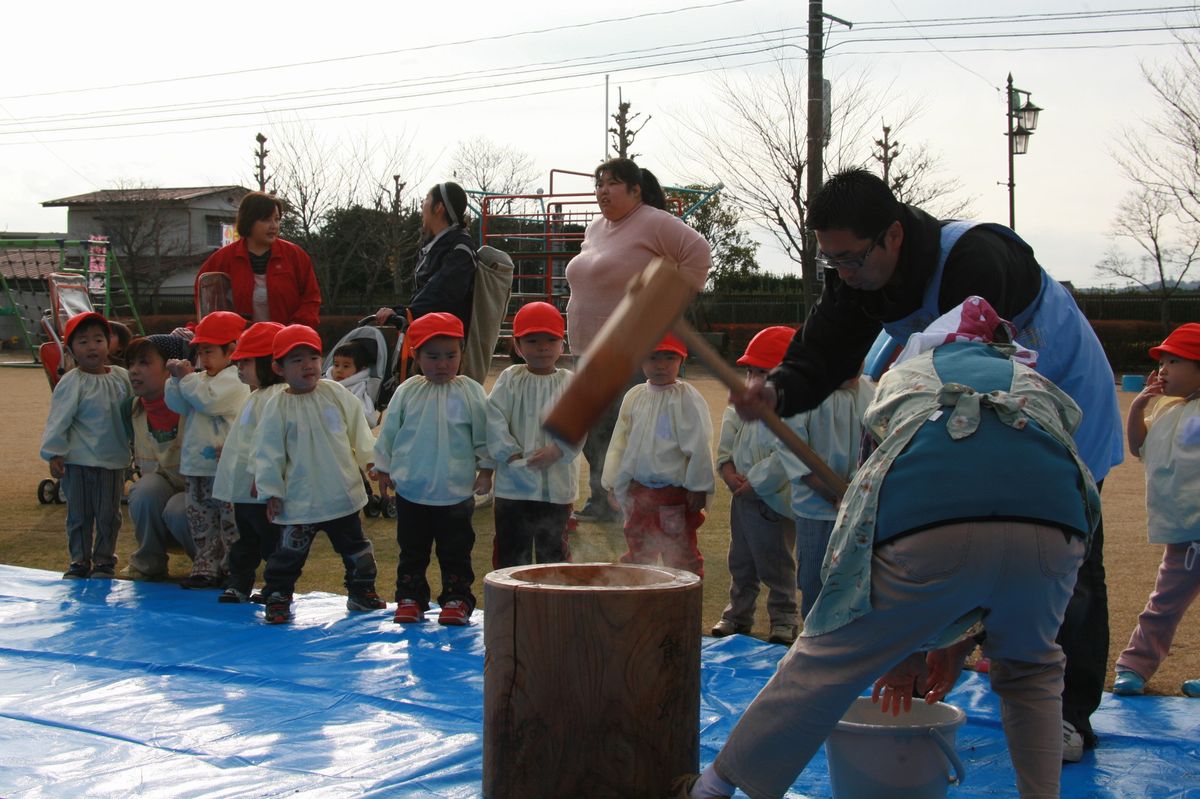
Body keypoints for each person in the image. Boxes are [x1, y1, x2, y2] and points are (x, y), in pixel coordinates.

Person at [732, 168, 1124, 759]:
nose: (843, 274)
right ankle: (957, 657)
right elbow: (822, 351)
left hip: (1057, 402)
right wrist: (779, 392)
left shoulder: (977, 260)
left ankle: (1067, 714)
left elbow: (983, 371)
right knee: (953, 535)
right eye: (830, 262)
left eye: (851, 259)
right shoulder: (859, 277)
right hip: (968, 411)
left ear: (892, 236)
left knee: (1064, 559)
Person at [677, 298, 1101, 799]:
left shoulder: (902, 382)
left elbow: (871, 511)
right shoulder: (1038, 387)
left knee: (825, 661)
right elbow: (1002, 540)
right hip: (1057, 528)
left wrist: (903, 654)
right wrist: (948, 643)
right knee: (1031, 672)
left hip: (927, 526)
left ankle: (712, 789)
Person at [565, 157, 712, 522]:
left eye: (612, 184)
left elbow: (698, 254)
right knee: (594, 431)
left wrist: (669, 303)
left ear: (636, 190)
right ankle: (602, 499)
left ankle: (626, 503)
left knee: (621, 429)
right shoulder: (597, 227)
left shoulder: (653, 221)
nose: (602, 191)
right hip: (586, 347)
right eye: (599, 184)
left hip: (626, 348)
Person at [251, 325, 386, 624]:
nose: (307, 365)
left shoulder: (336, 393)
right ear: (279, 368)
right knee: (287, 556)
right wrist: (271, 490)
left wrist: (370, 461)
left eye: (312, 357)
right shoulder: (276, 407)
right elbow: (267, 452)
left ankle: (362, 592)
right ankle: (278, 596)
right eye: (296, 360)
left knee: (356, 549)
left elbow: (359, 431)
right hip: (298, 502)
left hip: (341, 495)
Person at [374, 312, 493, 626]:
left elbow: (483, 434)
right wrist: (383, 469)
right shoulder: (407, 391)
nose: (442, 364)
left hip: (455, 493)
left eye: (450, 356)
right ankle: (410, 597)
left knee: (456, 551)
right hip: (412, 491)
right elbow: (390, 434)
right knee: (412, 550)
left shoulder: (471, 392)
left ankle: (457, 598)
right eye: (433, 356)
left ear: (461, 354)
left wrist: (486, 470)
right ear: (415, 356)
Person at [1112, 323, 1200, 698]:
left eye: (1174, 360)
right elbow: (1138, 447)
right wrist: (1138, 406)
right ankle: (1134, 666)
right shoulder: (1165, 411)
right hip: (1183, 534)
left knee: (1163, 603)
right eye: (1162, 361)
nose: (1163, 368)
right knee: (1162, 604)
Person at [711, 326, 801, 644]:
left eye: (764, 372)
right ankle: (738, 614)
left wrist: (759, 481)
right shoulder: (743, 403)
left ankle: (784, 618)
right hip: (742, 495)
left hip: (774, 499)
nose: (754, 379)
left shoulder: (794, 411)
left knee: (775, 561)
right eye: (751, 371)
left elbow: (789, 454)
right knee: (741, 559)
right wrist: (727, 467)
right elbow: (729, 434)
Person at [602, 332, 713, 577]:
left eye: (669, 357)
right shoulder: (635, 396)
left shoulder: (687, 399)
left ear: (681, 360)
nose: (660, 364)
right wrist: (614, 482)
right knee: (638, 549)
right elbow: (620, 442)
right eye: (652, 357)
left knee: (681, 552)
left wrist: (698, 486)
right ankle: (638, 600)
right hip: (639, 491)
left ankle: (683, 603)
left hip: (674, 494)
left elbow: (700, 445)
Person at [485, 301, 581, 568]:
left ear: (563, 344)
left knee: (554, 554)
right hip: (512, 488)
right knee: (511, 552)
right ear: (517, 346)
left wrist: (558, 450)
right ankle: (511, 605)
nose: (543, 347)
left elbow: (579, 421)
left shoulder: (568, 382)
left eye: (551, 339)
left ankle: (555, 604)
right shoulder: (510, 379)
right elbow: (494, 417)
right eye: (533, 340)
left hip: (556, 488)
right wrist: (508, 450)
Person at [39, 311, 132, 579]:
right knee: (79, 516)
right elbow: (59, 419)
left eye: (98, 339)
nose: (92, 346)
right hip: (78, 462)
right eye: (83, 342)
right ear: (70, 350)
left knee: (108, 516)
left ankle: (104, 561)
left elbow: (135, 409)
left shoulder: (121, 378)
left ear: (109, 343)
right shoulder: (72, 381)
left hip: (112, 461)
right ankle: (79, 560)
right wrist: (55, 453)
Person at [164, 311, 250, 589]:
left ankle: (233, 567)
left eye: (209, 351)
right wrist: (176, 379)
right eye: (200, 351)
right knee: (200, 520)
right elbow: (178, 405)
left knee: (230, 521)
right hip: (197, 466)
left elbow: (208, 402)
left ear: (232, 350)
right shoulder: (199, 379)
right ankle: (205, 565)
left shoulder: (235, 379)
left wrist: (186, 380)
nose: (203, 358)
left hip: (225, 466)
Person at [779, 367, 874, 620]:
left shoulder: (873, 391)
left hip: (862, 505)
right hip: (816, 510)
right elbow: (793, 448)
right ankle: (814, 640)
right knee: (815, 580)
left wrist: (855, 492)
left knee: (857, 582)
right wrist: (831, 492)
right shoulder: (803, 396)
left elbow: (880, 445)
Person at [211, 322, 285, 604]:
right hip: (246, 490)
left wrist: (263, 476)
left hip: (261, 490)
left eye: (246, 362)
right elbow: (246, 437)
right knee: (247, 541)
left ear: (270, 362)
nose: (239, 368)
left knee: (270, 542)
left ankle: (274, 587)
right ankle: (239, 583)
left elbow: (270, 441)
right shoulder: (256, 395)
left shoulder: (277, 396)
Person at [122, 333, 195, 581]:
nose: (133, 371)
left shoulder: (199, 404)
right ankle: (148, 564)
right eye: (131, 364)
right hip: (165, 497)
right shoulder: (130, 410)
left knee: (178, 508)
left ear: (170, 368)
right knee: (144, 489)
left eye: (144, 362)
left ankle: (215, 565)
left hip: (208, 504)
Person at [195, 191, 322, 328]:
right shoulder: (223, 259)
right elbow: (205, 299)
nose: (273, 225)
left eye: (277, 219)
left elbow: (311, 298)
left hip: (287, 342)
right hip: (239, 344)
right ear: (249, 220)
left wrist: (295, 329)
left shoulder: (295, 255)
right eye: (266, 219)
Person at [374, 182, 476, 334]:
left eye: (426, 199)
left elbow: (441, 293)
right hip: (431, 334)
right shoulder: (437, 244)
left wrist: (405, 313)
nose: (422, 204)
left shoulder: (460, 247)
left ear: (438, 207)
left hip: (443, 342)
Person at [327, 341, 378, 426]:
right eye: (336, 365)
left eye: (346, 366)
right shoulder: (325, 382)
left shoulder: (358, 387)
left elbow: (368, 418)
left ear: (359, 369)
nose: (339, 370)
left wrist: (347, 401)